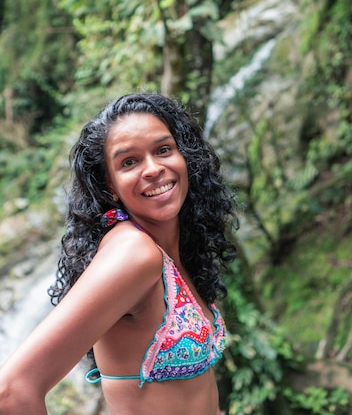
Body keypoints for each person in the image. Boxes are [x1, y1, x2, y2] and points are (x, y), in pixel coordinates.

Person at [0, 92, 237, 415]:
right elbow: (12, 391)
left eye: (163, 150)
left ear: (185, 157)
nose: (153, 168)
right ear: (110, 185)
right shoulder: (134, 254)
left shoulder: (168, 249)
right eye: (129, 162)